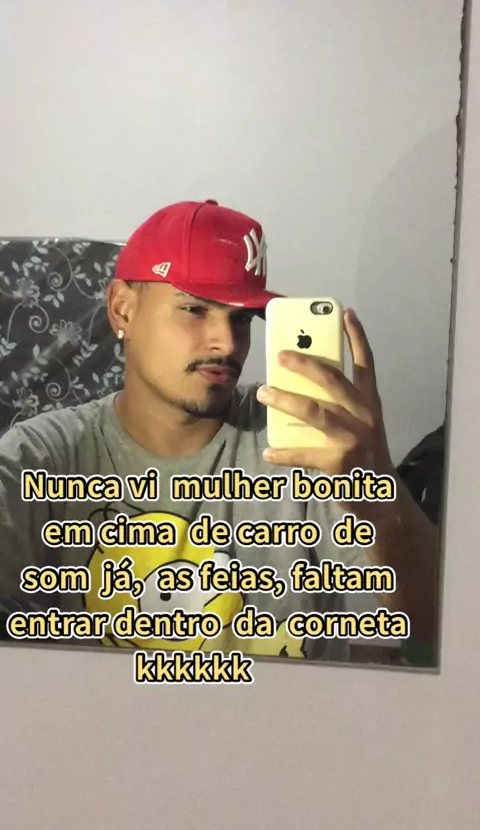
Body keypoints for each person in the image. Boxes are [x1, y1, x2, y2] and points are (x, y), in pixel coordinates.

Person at [0, 199, 439, 663]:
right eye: (194, 309)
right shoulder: (43, 456)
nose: (227, 344)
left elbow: (440, 629)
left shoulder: (304, 444)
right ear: (123, 310)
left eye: (240, 318)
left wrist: (377, 493)